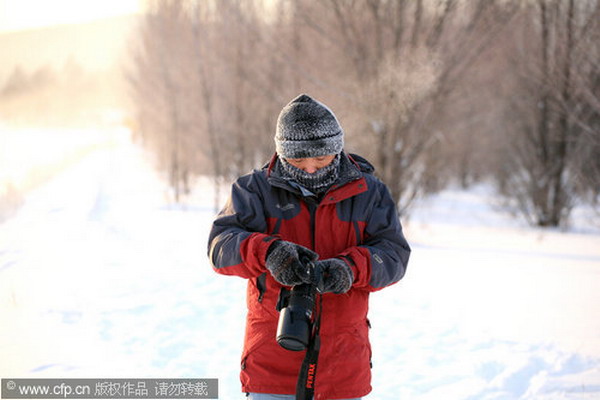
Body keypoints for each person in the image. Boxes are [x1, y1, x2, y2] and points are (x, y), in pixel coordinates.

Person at [208, 94, 411, 400]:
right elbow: (220, 247)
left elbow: (394, 255)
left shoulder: (370, 193)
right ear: (281, 152)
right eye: (297, 160)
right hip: (271, 362)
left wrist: (349, 269)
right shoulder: (254, 190)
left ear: (337, 149)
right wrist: (269, 253)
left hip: (342, 364)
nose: (311, 169)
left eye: (321, 159)